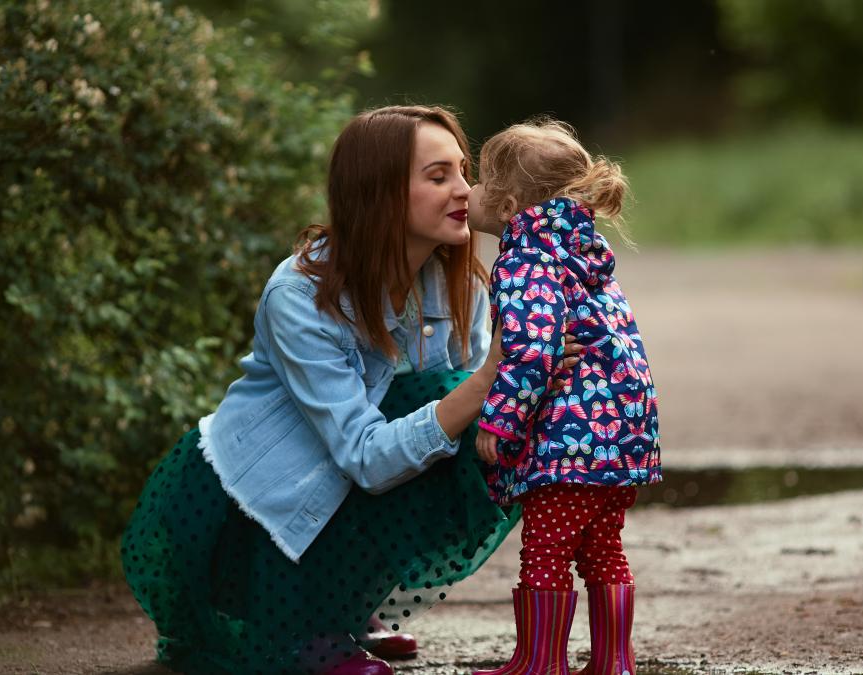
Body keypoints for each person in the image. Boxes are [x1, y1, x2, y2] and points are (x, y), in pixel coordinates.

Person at [120, 105, 584, 675]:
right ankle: (308, 626)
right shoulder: (300, 295)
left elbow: (461, 418)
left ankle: (345, 603)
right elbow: (364, 456)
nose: (466, 190)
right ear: (380, 193)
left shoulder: (460, 284)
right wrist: (494, 375)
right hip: (259, 507)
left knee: (494, 421)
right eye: (438, 177)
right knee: (456, 395)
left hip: (351, 478)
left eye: (463, 171)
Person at [466, 119, 662, 675]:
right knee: (602, 550)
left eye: (478, 181)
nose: (468, 193)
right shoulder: (581, 248)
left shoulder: (527, 257)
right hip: (621, 439)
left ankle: (540, 660)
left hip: (570, 440)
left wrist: (498, 421)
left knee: (546, 551)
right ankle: (613, 662)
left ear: (505, 205)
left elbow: (530, 350)